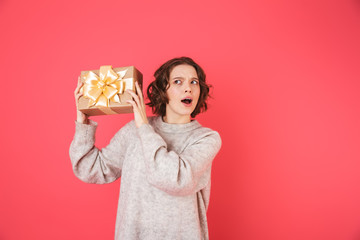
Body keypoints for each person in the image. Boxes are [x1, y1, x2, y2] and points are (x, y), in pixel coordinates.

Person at [70, 57, 222, 240]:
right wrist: (82, 120)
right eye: (177, 81)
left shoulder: (206, 138)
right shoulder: (133, 132)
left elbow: (175, 179)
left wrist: (143, 126)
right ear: (162, 91)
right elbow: (90, 169)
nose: (188, 87)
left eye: (194, 82)